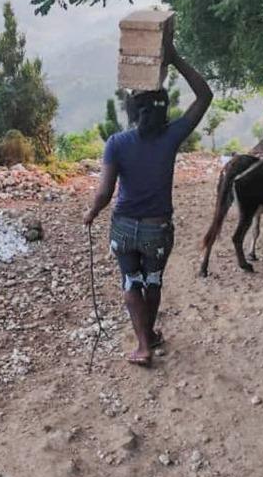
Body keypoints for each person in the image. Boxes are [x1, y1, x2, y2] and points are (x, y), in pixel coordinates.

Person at [83, 38, 212, 366]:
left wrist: (91, 213)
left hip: (124, 228)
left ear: (133, 113)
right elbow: (205, 95)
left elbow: (104, 192)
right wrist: (175, 58)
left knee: (131, 280)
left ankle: (142, 344)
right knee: (152, 280)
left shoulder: (116, 143)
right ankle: (149, 336)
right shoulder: (172, 136)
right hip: (157, 230)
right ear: (163, 109)